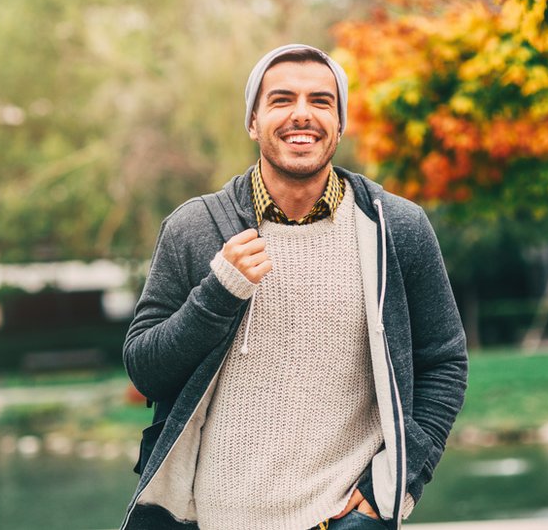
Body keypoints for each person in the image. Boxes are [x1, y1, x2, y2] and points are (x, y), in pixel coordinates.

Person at [119, 43, 468, 530]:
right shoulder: (195, 228)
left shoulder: (396, 228)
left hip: (346, 520)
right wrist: (218, 293)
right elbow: (145, 372)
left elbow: (444, 362)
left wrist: (396, 485)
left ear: (340, 124)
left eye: (321, 102)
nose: (302, 115)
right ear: (253, 121)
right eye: (282, 100)